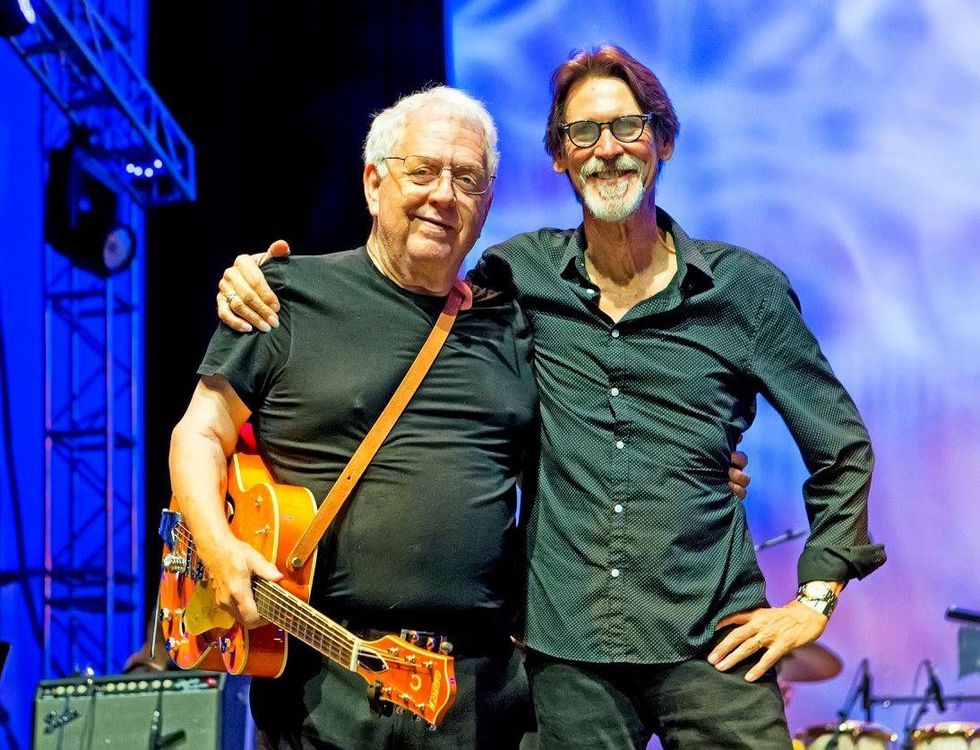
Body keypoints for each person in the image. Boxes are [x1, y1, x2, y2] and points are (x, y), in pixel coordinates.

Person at [216, 46, 881, 749]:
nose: (607, 151)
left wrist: (815, 596)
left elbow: (840, 447)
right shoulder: (518, 276)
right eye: (582, 134)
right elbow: (411, 294)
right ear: (560, 158)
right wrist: (250, 279)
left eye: (627, 127)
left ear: (663, 141)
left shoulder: (742, 291)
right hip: (569, 657)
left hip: (713, 641)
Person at [170, 86, 541, 750]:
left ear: (486, 204)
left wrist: (703, 461)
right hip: (323, 686)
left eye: (468, 179)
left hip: (482, 696)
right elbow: (199, 432)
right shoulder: (284, 295)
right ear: (374, 183)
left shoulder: (514, 323)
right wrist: (217, 546)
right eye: (423, 171)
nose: (444, 195)